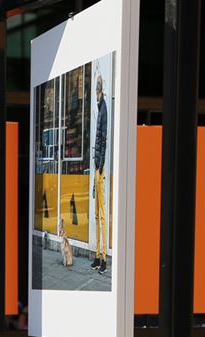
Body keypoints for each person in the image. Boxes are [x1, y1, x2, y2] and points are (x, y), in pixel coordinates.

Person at [92, 72, 109, 274]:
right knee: (96, 215)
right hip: (97, 165)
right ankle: (97, 255)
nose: (95, 94)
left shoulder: (103, 109)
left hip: (100, 168)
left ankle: (103, 258)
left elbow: (103, 139)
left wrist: (101, 165)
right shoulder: (100, 107)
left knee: (102, 216)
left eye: (96, 91)